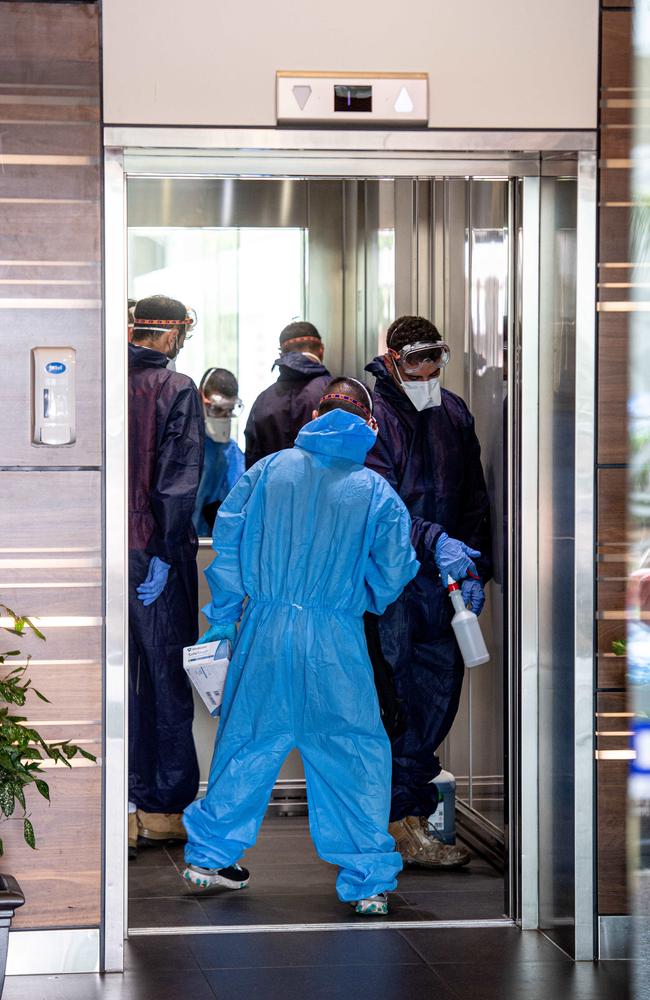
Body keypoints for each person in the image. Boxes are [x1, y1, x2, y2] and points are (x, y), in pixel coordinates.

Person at [182, 377, 419, 915]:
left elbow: (230, 548)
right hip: (335, 637)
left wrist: (223, 620)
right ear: (370, 424)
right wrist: (354, 596)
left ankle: (208, 859)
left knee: (246, 743)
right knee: (353, 751)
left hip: (264, 632)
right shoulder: (374, 490)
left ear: (315, 413)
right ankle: (367, 881)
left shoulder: (268, 472)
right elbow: (395, 569)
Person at [365, 315, 492, 870]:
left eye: (435, 358)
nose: (427, 371)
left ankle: (411, 815)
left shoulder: (453, 412)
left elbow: (473, 494)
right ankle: (394, 823)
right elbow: (377, 501)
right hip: (392, 583)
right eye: (416, 360)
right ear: (392, 359)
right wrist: (433, 540)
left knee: (438, 695)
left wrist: (474, 567)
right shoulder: (373, 417)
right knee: (392, 701)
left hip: (444, 587)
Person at [128, 294, 204, 858]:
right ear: (173, 334)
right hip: (157, 554)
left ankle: (119, 808)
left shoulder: (105, 378)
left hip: (109, 552)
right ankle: (159, 812)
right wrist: (160, 551)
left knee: (115, 683)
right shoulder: (176, 389)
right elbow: (177, 480)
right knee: (163, 681)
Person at [243, 320, 330, 468]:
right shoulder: (334, 393)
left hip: (272, 490)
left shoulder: (263, 400)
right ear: (321, 349)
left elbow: (253, 464)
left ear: (282, 354)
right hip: (326, 491)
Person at [193, 367, 245, 537]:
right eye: (216, 409)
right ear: (201, 398)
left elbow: (238, 504)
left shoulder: (232, 453)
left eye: (229, 411)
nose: (223, 417)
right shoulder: (186, 446)